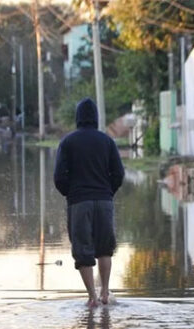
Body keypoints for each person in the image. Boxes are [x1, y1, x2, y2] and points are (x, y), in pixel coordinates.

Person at [54, 98, 125, 307]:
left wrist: (71, 193)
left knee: (83, 251)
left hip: (79, 203)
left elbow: (59, 177)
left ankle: (92, 297)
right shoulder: (107, 141)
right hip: (104, 201)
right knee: (104, 248)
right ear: (96, 118)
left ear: (77, 118)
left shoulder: (67, 142)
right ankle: (105, 292)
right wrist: (108, 192)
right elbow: (119, 174)